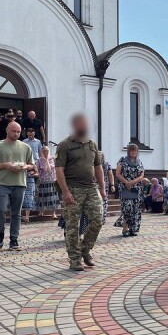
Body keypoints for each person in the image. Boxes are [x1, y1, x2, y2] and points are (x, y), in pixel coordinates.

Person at [55, 114, 106, 271]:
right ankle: (75, 258)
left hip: (91, 188)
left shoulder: (92, 145)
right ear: (75, 125)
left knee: (98, 219)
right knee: (72, 225)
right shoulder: (65, 145)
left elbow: (98, 167)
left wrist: (103, 188)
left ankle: (85, 249)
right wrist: (65, 192)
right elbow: (58, 170)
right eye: (80, 123)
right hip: (73, 189)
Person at [0, 121, 35, 251]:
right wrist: (5, 165)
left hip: (19, 183)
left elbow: (32, 164)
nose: (16, 134)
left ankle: (14, 239)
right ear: (7, 130)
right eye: (14, 131)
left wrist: (26, 167)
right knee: (1, 210)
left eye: (19, 131)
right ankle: (0, 234)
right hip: (1, 183)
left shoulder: (25, 147)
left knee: (16, 213)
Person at [116, 143, 145, 237]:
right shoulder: (122, 160)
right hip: (125, 188)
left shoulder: (139, 162)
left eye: (135, 150)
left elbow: (141, 176)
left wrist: (132, 182)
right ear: (128, 151)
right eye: (132, 150)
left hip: (136, 188)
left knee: (136, 208)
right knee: (127, 208)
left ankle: (133, 229)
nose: (133, 152)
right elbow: (118, 174)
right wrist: (126, 182)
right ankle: (125, 228)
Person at [36, 146, 60, 218]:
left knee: (52, 196)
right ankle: (41, 211)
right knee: (42, 196)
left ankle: (53, 213)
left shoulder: (52, 159)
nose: (45, 152)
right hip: (43, 180)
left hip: (51, 180)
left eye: (46, 151)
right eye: (43, 151)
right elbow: (37, 169)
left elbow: (48, 170)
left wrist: (46, 160)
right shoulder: (39, 160)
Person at [101, 152, 115, 224]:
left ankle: (103, 218)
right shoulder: (92, 163)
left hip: (104, 185)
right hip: (94, 185)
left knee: (104, 201)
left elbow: (110, 174)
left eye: (101, 156)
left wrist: (112, 185)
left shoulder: (107, 165)